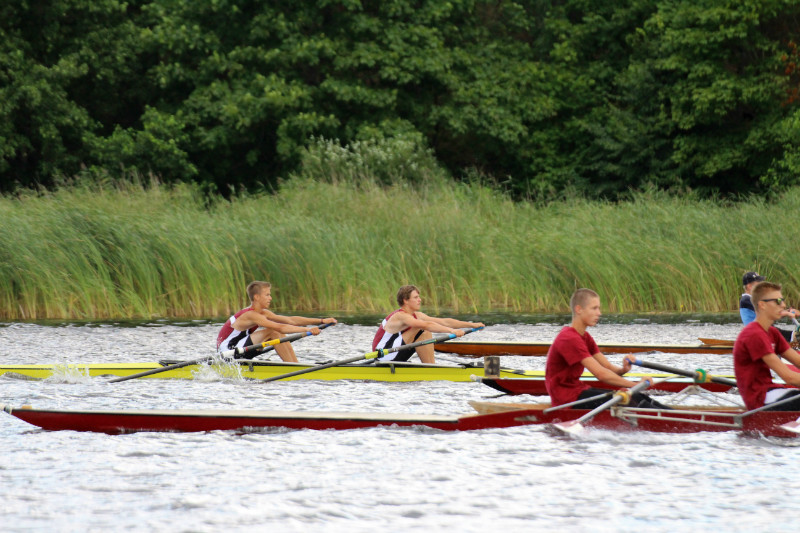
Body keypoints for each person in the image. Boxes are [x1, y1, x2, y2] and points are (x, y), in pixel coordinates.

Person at [545, 288, 665, 409]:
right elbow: (601, 375)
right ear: (579, 309)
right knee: (630, 399)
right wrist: (635, 385)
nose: (599, 313)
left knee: (637, 396)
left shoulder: (585, 337)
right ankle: (665, 418)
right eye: (594, 308)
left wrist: (624, 369)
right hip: (565, 399)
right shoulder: (569, 338)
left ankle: (671, 416)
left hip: (578, 390)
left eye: (599, 308)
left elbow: (608, 367)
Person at [216, 281, 337, 362]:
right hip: (228, 353)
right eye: (267, 295)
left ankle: (294, 364)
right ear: (257, 297)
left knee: (276, 332)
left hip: (241, 348)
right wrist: (308, 330)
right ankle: (293, 367)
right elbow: (280, 327)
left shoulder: (263, 313)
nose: (270, 298)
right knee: (273, 332)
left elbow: (290, 320)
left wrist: (321, 320)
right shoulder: (250, 315)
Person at [371, 285, 484, 363]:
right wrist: (452, 331)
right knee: (421, 328)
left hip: (395, 353)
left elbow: (445, 321)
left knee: (424, 331)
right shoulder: (400, 316)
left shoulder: (417, 315)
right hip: (383, 355)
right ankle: (431, 368)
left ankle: (430, 367)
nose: (420, 300)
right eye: (416, 297)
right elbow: (426, 325)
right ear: (405, 300)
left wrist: (472, 325)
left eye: (419, 297)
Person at [733, 281, 800, 411]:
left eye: (782, 300)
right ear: (762, 305)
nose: (783, 305)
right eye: (778, 301)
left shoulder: (772, 332)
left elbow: (798, 361)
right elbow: (788, 377)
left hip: (771, 390)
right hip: (759, 399)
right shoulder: (754, 334)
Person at [740, 271, 795, 342]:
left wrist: (786, 312)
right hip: (758, 333)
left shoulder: (754, 299)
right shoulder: (746, 300)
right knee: (793, 336)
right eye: (759, 283)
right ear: (750, 286)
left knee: (792, 335)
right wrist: (786, 313)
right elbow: (767, 312)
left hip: (765, 330)